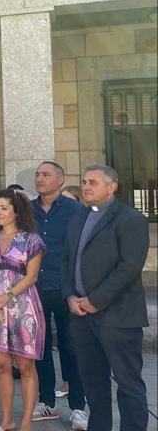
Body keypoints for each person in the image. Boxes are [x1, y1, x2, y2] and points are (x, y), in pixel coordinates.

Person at [63, 164, 149, 431]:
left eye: (93, 183)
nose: (86, 187)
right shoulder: (79, 217)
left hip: (118, 316)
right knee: (93, 382)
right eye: (85, 182)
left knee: (128, 383)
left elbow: (129, 267)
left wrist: (95, 300)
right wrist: (70, 297)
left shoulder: (130, 219)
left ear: (111, 187)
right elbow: (66, 260)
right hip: (81, 315)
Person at [0, 189, 46, 431]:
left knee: (25, 366)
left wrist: (7, 296)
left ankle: (26, 423)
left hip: (24, 305)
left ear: (16, 210)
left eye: (4, 207)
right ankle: (7, 421)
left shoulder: (32, 240)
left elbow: (32, 276)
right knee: (2, 366)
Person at [30, 162, 87, 429]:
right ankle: (46, 402)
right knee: (39, 347)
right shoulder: (27, 210)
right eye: (38, 175)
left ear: (60, 180)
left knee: (71, 346)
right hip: (34, 289)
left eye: (46, 175)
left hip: (66, 289)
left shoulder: (76, 210)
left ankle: (78, 406)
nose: (40, 179)